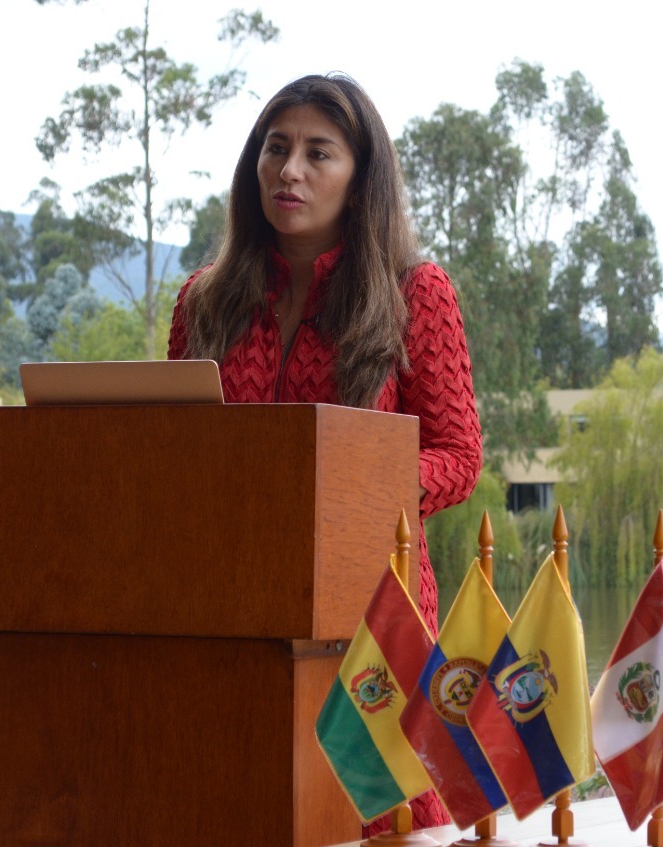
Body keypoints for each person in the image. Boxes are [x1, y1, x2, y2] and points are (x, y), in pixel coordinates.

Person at [167, 73, 480, 832]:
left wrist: (342, 485)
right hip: (235, 612)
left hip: (373, 615)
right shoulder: (203, 301)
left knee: (388, 817)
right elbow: (177, 450)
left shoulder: (415, 291)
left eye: (317, 153)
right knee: (254, 811)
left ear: (360, 176)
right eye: (275, 149)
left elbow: (458, 455)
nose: (289, 171)